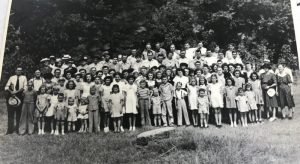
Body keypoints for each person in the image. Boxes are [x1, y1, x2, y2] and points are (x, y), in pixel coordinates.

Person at [5, 67, 27, 134]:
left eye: (20, 70)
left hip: (19, 96)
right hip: (11, 96)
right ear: (15, 71)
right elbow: (6, 87)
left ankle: (18, 129)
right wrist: (11, 92)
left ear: (22, 71)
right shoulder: (12, 77)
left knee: (19, 114)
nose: (19, 72)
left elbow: (25, 87)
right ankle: (10, 130)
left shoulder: (24, 77)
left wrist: (17, 92)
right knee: (10, 113)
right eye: (18, 70)